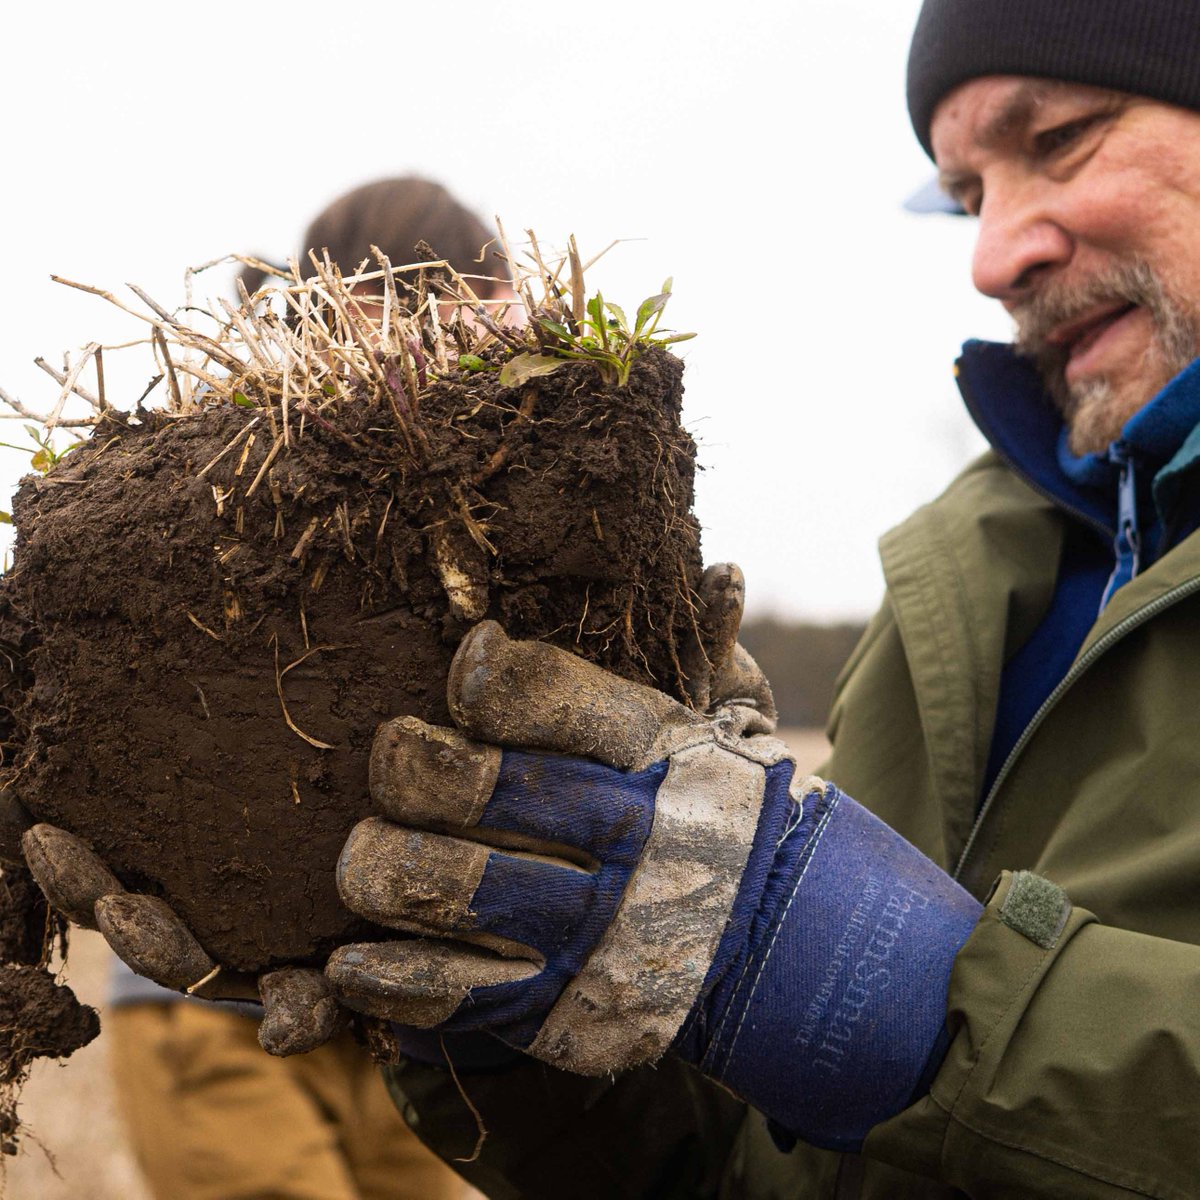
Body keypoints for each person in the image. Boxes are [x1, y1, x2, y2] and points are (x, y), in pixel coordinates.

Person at [18, 2, 1200, 1196]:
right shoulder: (958, 585)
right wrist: (516, 1007)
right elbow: (736, 1175)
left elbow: (902, 1043)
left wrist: (902, 1003)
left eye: (1062, 137)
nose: (992, 257)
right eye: (964, 196)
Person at [103, 176, 503, 1200]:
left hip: (407, 1027)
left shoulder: (503, 504)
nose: (424, 373)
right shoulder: (230, 470)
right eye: (394, 329)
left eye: (462, 336)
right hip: (218, 998)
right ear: (319, 315)